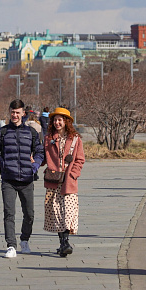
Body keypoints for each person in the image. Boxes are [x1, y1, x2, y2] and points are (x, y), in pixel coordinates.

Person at [0, 99, 44, 258]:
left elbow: (40, 152)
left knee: (29, 214)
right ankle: (11, 245)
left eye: (17, 112)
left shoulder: (31, 132)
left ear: (23, 114)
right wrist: (3, 164)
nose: (14, 115)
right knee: (9, 213)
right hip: (9, 179)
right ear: (9, 112)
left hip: (27, 179)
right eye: (12, 112)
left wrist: (34, 166)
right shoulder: (2, 132)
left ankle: (25, 240)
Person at [43, 107, 85, 258]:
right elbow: (43, 156)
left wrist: (73, 174)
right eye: (55, 120)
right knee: (56, 213)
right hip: (53, 181)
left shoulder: (75, 139)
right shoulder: (48, 138)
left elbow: (80, 159)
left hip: (68, 182)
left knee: (68, 212)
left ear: (66, 122)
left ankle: (65, 242)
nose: (57, 123)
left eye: (60, 120)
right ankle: (63, 244)